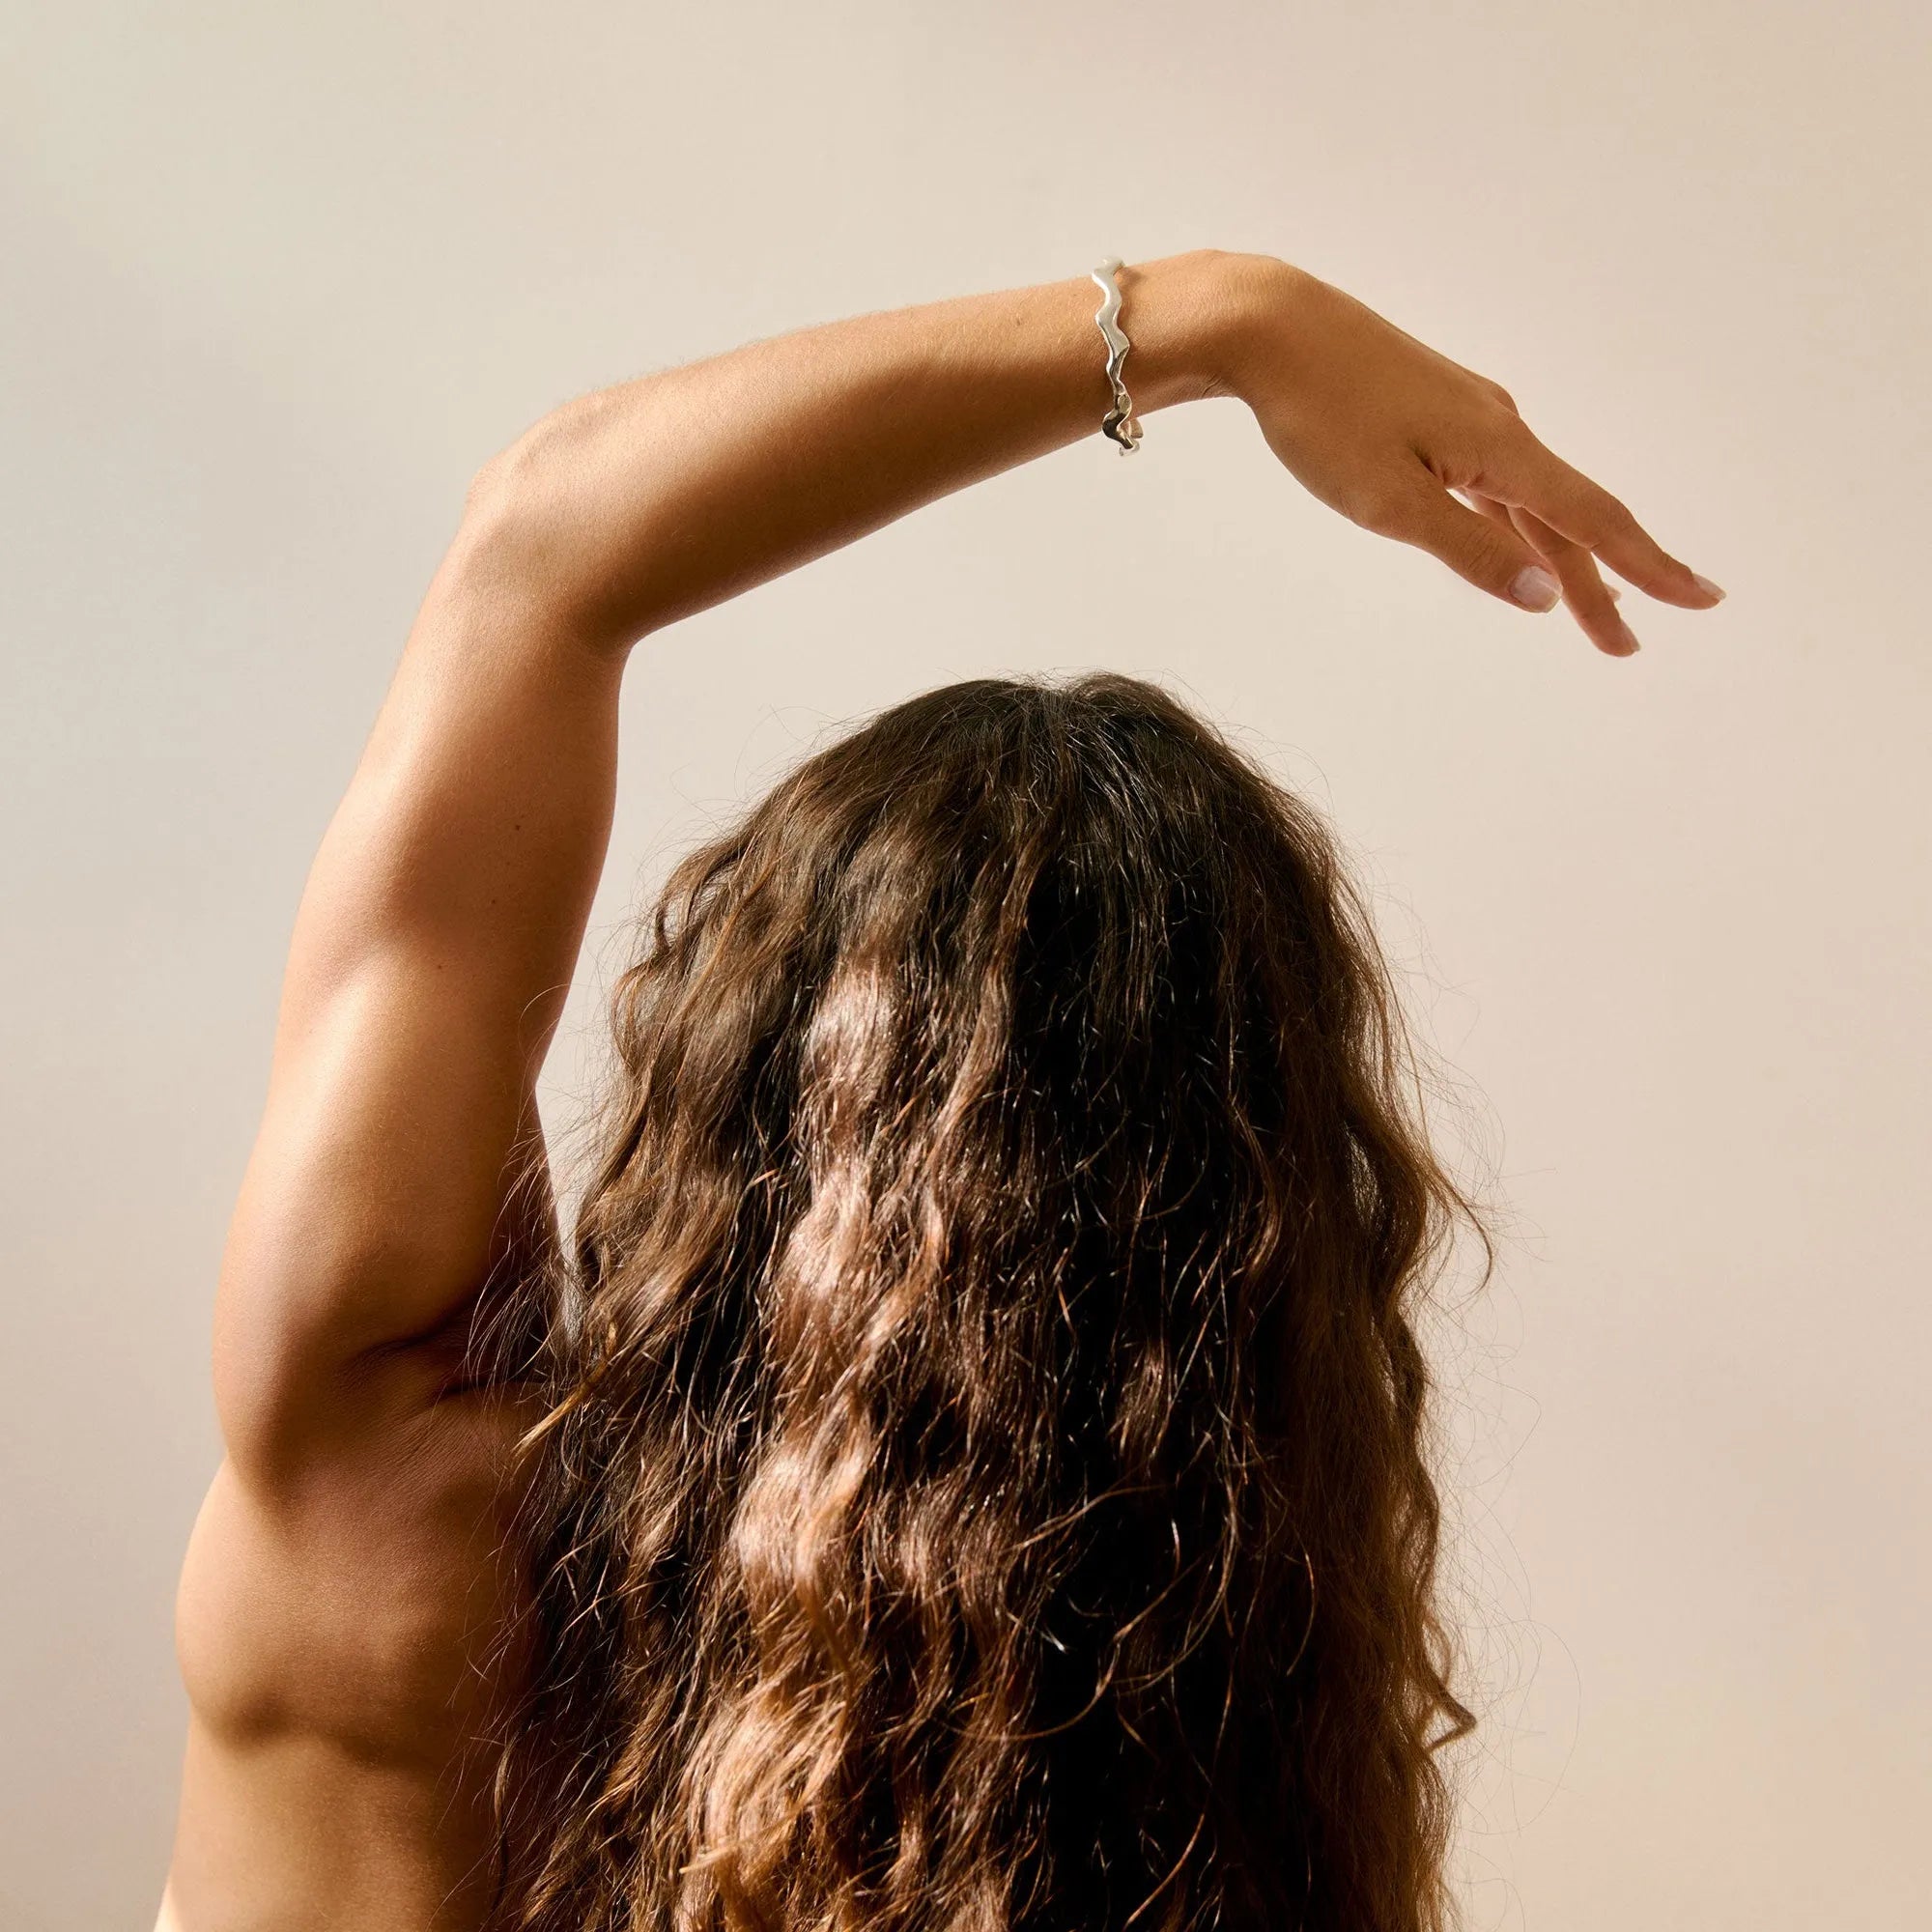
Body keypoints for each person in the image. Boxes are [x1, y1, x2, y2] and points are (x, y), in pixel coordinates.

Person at [156, 248, 1723, 1932]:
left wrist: (1220, 322)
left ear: (735, 1065)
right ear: (1250, 1235)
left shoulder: (395, 1497)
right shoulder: (1206, 1784)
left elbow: (544, 549)